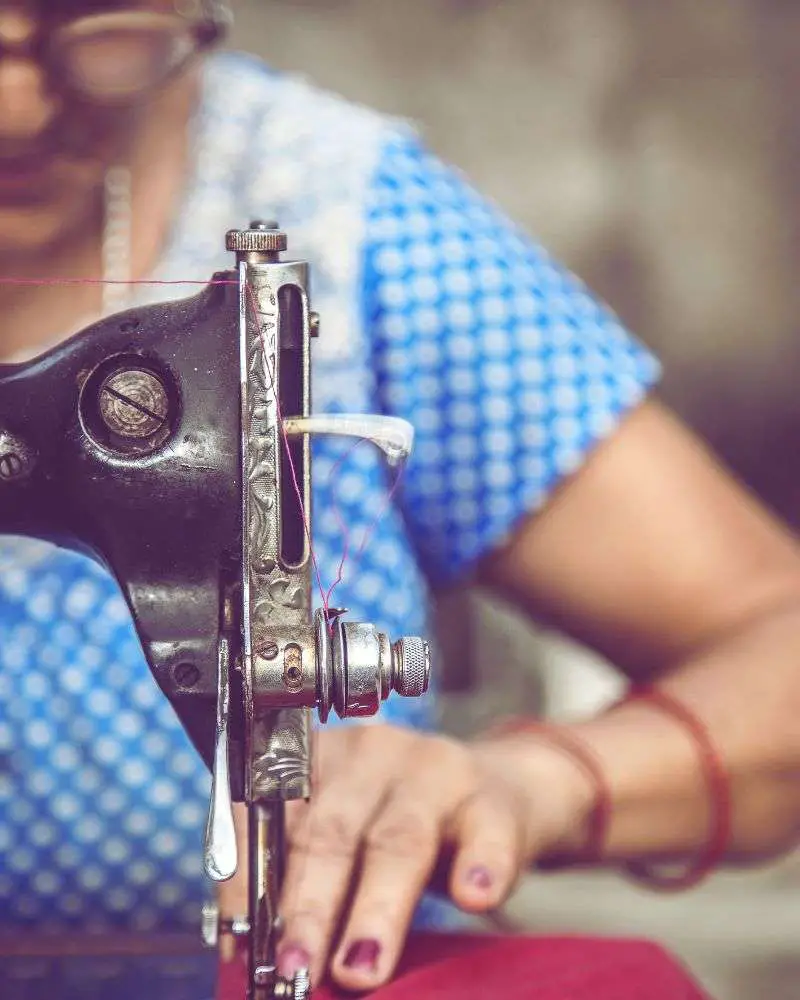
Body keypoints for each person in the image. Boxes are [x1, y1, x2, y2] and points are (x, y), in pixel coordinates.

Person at [0, 0, 798, 994]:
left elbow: (777, 643)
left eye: (93, 30)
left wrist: (531, 783)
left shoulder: (342, 217)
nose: (18, 110)